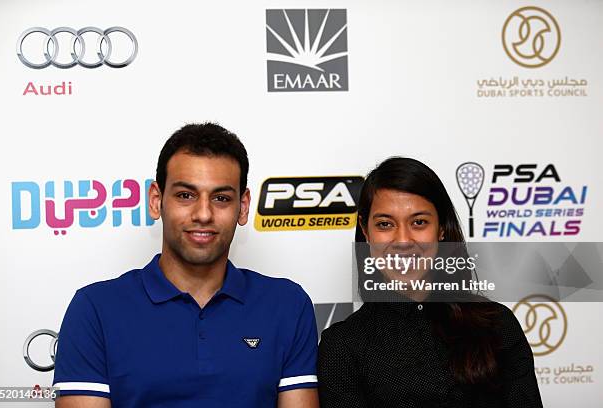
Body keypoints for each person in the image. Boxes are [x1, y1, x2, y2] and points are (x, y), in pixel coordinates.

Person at [53, 123, 319, 408]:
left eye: (221, 198)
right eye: (185, 195)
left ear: (242, 207)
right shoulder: (95, 309)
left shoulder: (287, 305)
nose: (203, 214)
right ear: (157, 201)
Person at [317, 157, 543, 408]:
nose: (403, 240)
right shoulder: (342, 347)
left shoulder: (498, 324)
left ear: (441, 230)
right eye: (385, 224)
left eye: (419, 222)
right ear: (366, 231)